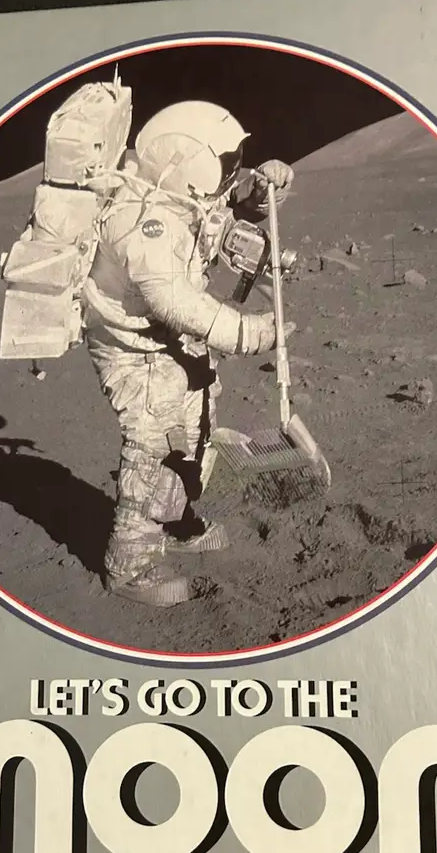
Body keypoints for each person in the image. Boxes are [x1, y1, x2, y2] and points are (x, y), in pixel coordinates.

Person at [81, 100, 294, 606]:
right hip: (129, 345)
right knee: (154, 434)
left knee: (197, 421)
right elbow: (175, 301)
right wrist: (250, 334)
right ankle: (129, 563)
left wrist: (266, 186)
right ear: (192, 163)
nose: (233, 169)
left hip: (167, 336)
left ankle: (173, 520)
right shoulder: (143, 223)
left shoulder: (180, 194)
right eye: (226, 162)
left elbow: (228, 206)